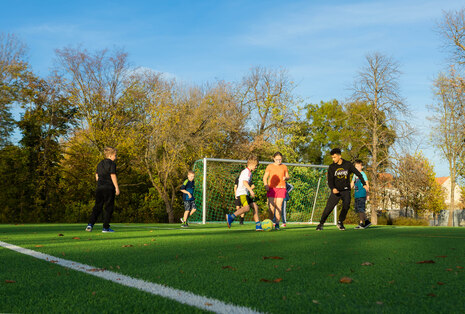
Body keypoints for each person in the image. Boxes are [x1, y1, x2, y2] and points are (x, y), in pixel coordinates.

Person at [316, 148, 368, 231]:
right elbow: (330, 180)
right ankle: (321, 224)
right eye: (332, 157)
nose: (333, 159)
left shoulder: (348, 164)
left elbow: (358, 173)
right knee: (328, 208)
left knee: (346, 206)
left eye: (335, 157)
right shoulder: (332, 167)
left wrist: (364, 184)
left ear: (340, 156)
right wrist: (333, 188)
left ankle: (340, 222)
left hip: (346, 190)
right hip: (336, 191)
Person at [86, 146, 120, 233]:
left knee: (97, 206)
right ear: (110, 155)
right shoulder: (112, 164)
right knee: (108, 207)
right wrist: (116, 187)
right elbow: (113, 175)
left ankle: (90, 224)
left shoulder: (100, 163)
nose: (116, 157)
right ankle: (105, 228)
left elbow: (96, 176)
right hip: (109, 188)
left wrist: (101, 181)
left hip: (100, 188)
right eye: (115, 155)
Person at [226, 157, 263, 231]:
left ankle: (258, 226)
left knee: (255, 206)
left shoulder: (248, 172)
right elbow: (244, 182)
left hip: (245, 193)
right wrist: (251, 191)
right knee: (246, 208)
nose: (256, 167)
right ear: (251, 164)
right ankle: (231, 217)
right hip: (242, 193)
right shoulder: (247, 172)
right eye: (256, 165)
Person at [263, 152, 290, 230]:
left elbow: (288, 176)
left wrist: (286, 178)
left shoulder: (284, 167)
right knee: (271, 208)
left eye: (280, 159)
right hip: (271, 188)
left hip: (281, 188)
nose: (279, 161)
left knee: (279, 207)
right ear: (273, 159)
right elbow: (265, 177)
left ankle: (277, 224)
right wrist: (266, 185)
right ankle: (270, 223)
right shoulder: (270, 166)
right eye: (277, 159)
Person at [351, 160, 371, 229]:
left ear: (361, 167)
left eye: (358, 166)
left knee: (361, 209)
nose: (356, 168)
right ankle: (367, 221)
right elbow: (352, 183)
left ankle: (361, 223)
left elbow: (367, 184)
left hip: (362, 194)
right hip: (356, 195)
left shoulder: (363, 174)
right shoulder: (354, 175)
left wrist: (367, 194)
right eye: (355, 166)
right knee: (358, 209)